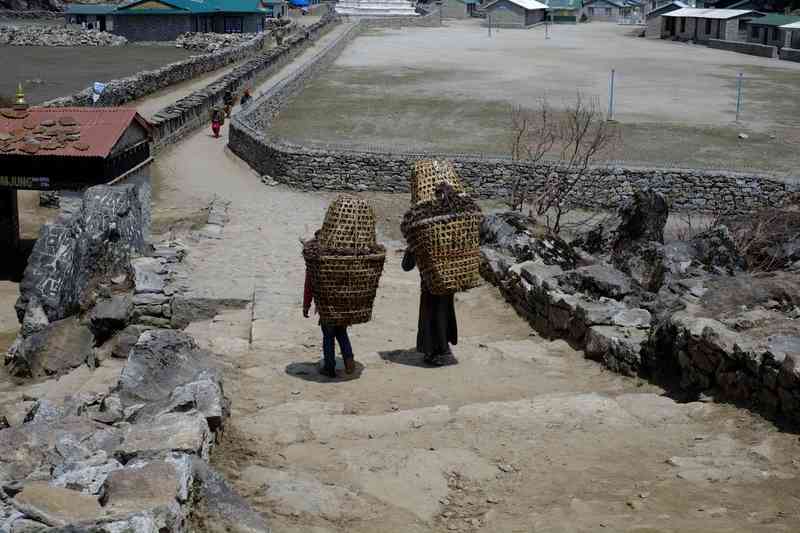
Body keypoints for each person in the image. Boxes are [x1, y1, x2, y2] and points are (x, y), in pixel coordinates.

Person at [303, 241, 356, 378]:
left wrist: (306, 305)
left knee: (328, 335)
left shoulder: (316, 260)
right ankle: (349, 362)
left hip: (326, 305)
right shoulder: (343, 257)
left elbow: (309, 285)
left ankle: (329, 367)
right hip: (343, 304)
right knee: (341, 332)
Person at [402, 250, 458, 366]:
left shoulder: (419, 241)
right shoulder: (448, 243)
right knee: (441, 315)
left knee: (431, 318)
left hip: (431, 287)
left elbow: (406, 266)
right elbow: (406, 266)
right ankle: (440, 349)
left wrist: (411, 250)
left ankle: (434, 351)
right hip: (445, 285)